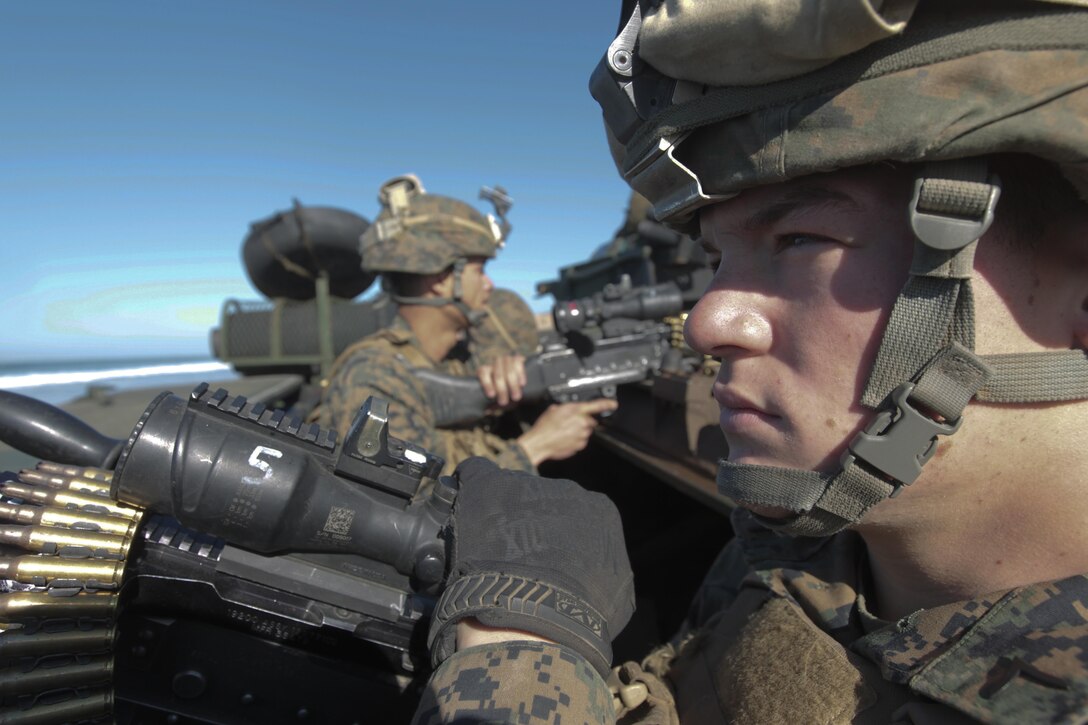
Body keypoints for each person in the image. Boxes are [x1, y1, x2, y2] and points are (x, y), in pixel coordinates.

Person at [410, 2, 1088, 723]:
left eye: (800, 238)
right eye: (715, 257)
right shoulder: (793, 550)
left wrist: (516, 660)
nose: (707, 321)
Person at [316, 174, 615, 477]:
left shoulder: (455, 360)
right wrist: (534, 447)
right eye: (480, 270)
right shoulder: (373, 379)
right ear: (441, 281)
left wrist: (509, 388)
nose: (489, 284)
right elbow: (409, 504)